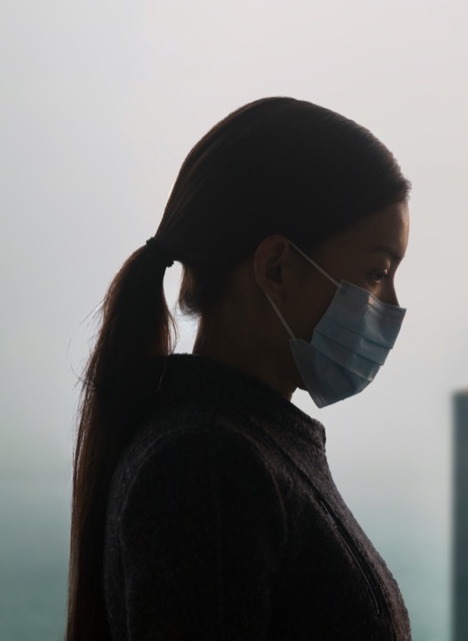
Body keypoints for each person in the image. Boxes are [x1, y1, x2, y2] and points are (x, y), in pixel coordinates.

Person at [65, 98, 414, 640]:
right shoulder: (206, 466)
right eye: (376, 272)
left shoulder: (244, 443)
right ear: (277, 268)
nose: (390, 304)